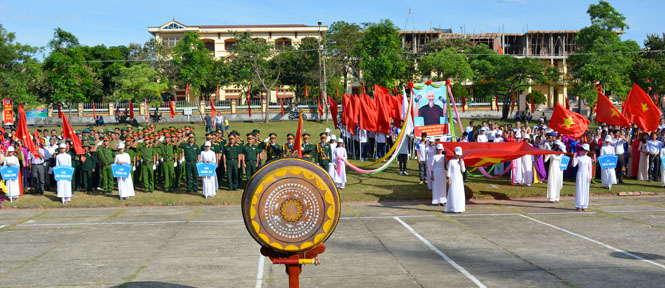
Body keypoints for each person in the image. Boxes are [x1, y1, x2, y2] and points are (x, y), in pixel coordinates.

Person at [573, 143, 593, 212]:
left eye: (586, 151)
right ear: (582, 150)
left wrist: (590, 176)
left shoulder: (589, 159)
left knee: (585, 189)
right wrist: (574, 157)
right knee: (579, 189)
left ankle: (584, 205)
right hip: (580, 173)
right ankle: (578, 205)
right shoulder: (579, 157)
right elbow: (574, 165)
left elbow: (590, 168)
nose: (585, 152)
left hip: (586, 174)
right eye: (584, 150)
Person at [446, 147, 466, 213]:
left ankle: (460, 208)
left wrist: (461, 164)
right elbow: (449, 171)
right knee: (453, 192)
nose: (458, 156)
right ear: (454, 153)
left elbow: (463, 170)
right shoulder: (451, 161)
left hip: (459, 178)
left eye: (459, 155)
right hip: (453, 178)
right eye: (457, 154)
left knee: (459, 193)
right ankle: (454, 208)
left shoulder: (461, 161)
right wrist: (449, 179)